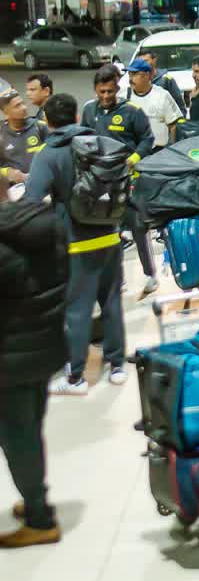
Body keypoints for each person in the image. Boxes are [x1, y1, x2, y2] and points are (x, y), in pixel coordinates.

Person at [26, 93, 129, 396]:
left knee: (78, 310)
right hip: (110, 235)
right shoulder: (98, 141)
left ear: (47, 120)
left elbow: (32, 199)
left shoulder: (48, 152)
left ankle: (76, 377)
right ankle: (118, 366)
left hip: (75, 243)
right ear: (75, 117)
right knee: (111, 302)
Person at [0, 168, 67, 548]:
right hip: (43, 344)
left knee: (17, 437)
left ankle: (40, 520)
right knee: (28, 428)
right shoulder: (38, 222)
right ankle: (34, 502)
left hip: (9, 356)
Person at [80, 65, 157, 297]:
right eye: (101, 92)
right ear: (96, 90)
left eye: (110, 92)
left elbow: (148, 139)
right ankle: (118, 279)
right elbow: (83, 139)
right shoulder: (88, 110)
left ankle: (151, 275)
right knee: (111, 233)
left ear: (117, 89)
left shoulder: (132, 111)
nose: (106, 97)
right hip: (100, 183)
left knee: (138, 228)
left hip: (128, 182)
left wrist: (133, 159)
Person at [124, 58, 183, 150]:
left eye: (135, 74)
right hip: (134, 151)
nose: (131, 79)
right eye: (129, 75)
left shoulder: (162, 95)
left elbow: (173, 125)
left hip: (159, 152)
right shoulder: (125, 96)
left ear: (147, 76)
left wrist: (172, 149)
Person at [0, 90, 49, 185]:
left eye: (23, 103)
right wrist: (9, 172)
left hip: (42, 185)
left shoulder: (40, 126)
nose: (24, 108)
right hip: (15, 190)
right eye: (17, 106)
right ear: (6, 112)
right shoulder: (1, 134)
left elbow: (55, 155)